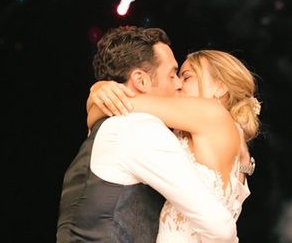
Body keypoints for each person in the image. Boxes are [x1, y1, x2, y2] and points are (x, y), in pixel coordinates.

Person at [56, 26, 239, 243]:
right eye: (173, 75)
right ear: (141, 81)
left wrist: (96, 98)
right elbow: (220, 227)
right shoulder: (140, 129)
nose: (178, 84)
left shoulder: (110, 125)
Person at [88, 49, 261, 242]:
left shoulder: (210, 112)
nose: (178, 85)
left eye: (186, 77)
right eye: (176, 77)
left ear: (220, 88)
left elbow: (116, 106)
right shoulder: (223, 134)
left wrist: (99, 90)